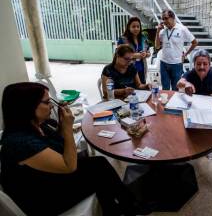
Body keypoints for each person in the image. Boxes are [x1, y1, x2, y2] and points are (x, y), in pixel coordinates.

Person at [0, 82, 151, 216]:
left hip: (43, 178)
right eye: (47, 102)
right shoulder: (19, 142)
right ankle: (129, 206)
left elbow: (59, 146)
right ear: (27, 107)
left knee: (98, 166)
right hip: (40, 199)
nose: (52, 106)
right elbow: (69, 166)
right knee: (99, 168)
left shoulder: (37, 124)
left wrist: (61, 126)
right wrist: (66, 128)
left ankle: (115, 208)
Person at [155, 9, 198, 90]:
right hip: (164, 63)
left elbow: (195, 42)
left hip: (176, 64)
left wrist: (186, 54)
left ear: (173, 18)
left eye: (166, 18)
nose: (164, 21)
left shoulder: (182, 29)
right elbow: (157, 47)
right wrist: (157, 31)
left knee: (175, 88)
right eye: (163, 19)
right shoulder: (162, 31)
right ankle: (166, 102)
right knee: (165, 88)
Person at [117, 17, 150, 84]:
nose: (136, 28)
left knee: (142, 90)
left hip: (142, 70)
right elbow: (118, 54)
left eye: (138, 26)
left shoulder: (143, 38)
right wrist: (136, 55)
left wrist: (145, 54)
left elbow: (148, 52)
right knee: (130, 91)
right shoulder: (123, 39)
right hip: (128, 70)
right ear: (129, 27)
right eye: (133, 26)